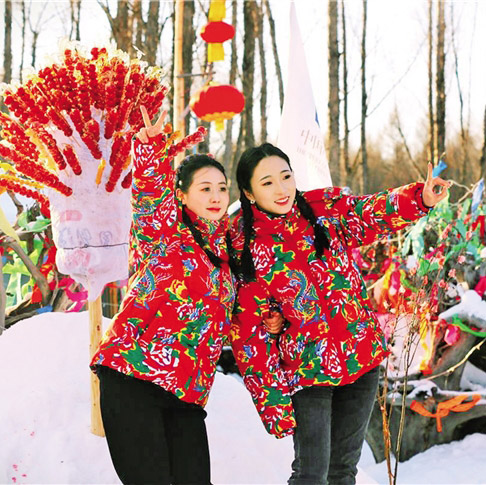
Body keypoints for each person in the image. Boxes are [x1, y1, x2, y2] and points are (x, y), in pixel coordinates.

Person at [230, 142, 450, 485]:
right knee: (311, 474)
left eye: (286, 176)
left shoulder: (323, 209)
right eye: (267, 182)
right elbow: (247, 332)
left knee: (343, 472)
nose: (281, 188)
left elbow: (369, 212)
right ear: (249, 192)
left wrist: (419, 198)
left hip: (360, 358)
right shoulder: (247, 247)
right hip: (308, 372)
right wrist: (271, 400)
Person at [90, 106, 237, 485]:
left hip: (187, 395)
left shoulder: (226, 256)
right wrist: (151, 148)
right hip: (134, 379)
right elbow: (151, 195)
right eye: (205, 188)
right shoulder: (164, 232)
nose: (217, 196)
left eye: (222, 187)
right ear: (183, 195)